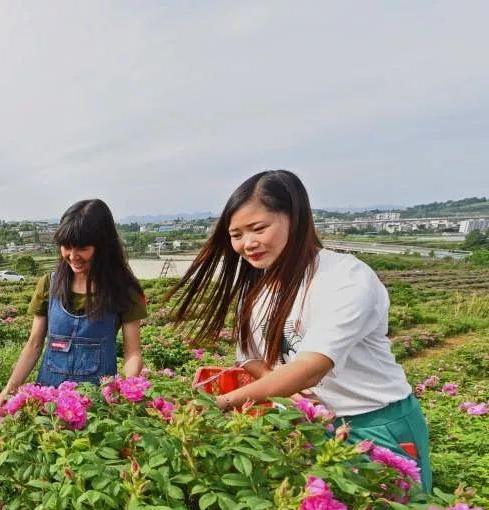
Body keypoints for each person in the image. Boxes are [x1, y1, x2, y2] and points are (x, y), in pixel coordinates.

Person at [166, 169, 432, 491]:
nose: (247, 244)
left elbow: (310, 369)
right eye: (236, 234)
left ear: (295, 218)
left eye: (258, 228)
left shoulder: (345, 278)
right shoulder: (258, 286)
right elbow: (248, 356)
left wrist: (220, 403)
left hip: (372, 421)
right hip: (308, 424)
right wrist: (280, 386)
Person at [0, 199, 147, 406]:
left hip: (96, 403)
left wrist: (126, 392)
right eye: (66, 247)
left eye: (82, 248)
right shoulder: (50, 283)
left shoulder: (124, 290)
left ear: (103, 246)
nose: (73, 256)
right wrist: (9, 389)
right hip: (48, 401)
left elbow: (133, 352)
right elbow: (34, 345)